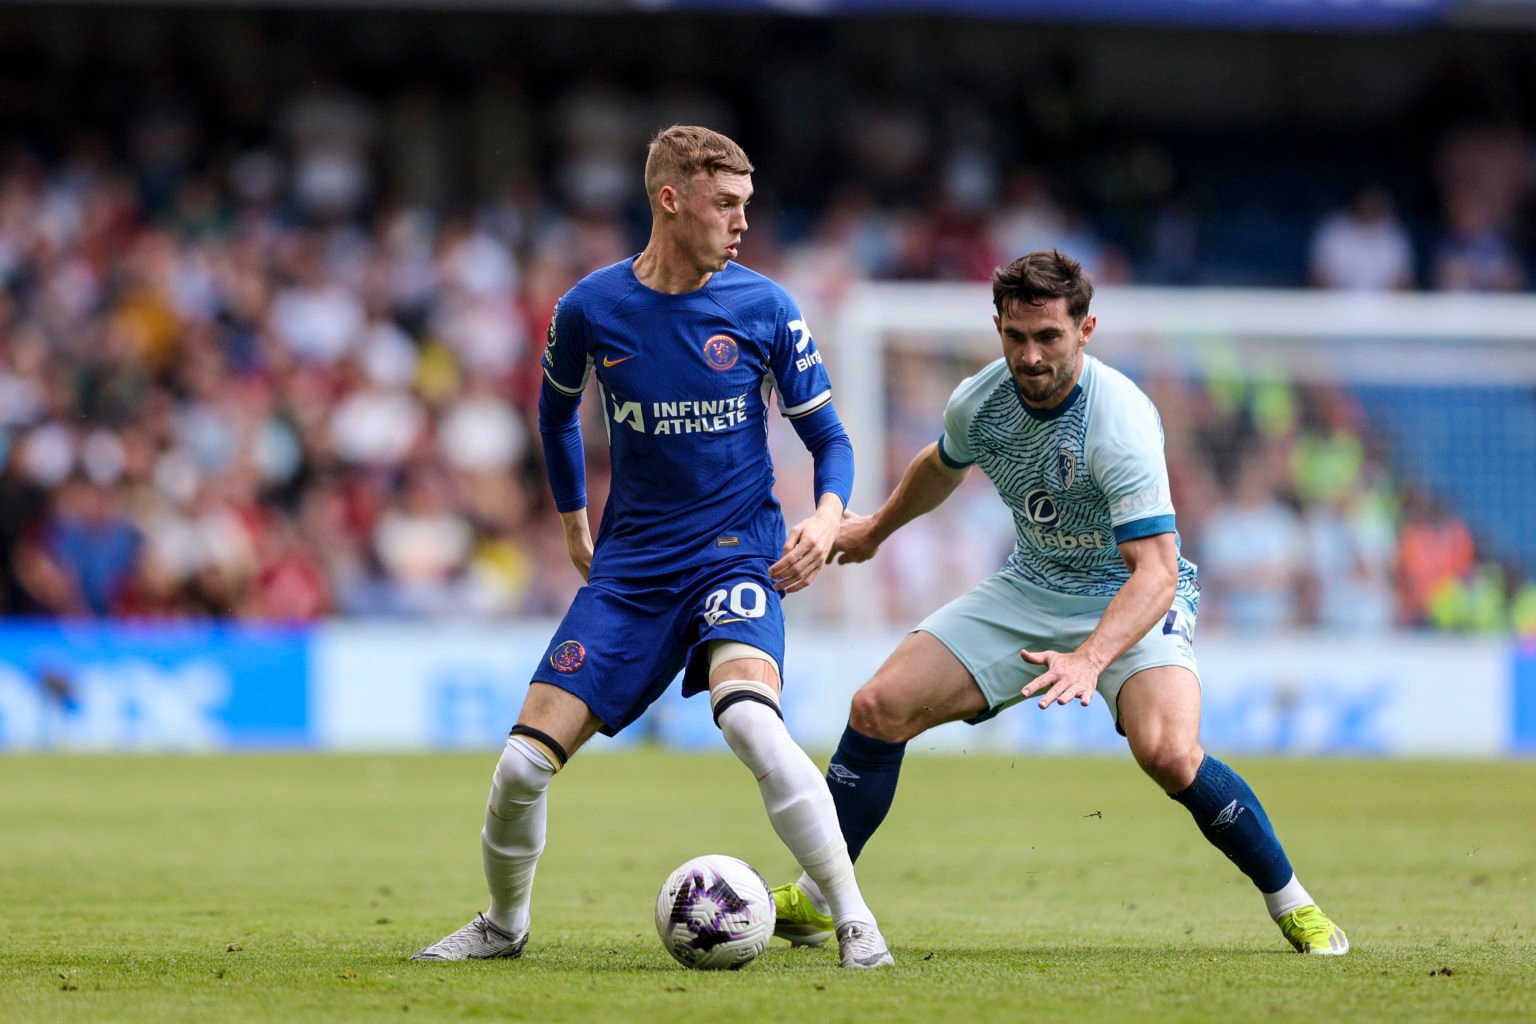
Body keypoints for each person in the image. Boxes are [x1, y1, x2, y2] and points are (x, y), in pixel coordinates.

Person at [772, 250, 1349, 957]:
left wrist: (1091, 657)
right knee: (876, 708)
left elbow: (1157, 572)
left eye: (1049, 337)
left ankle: (1295, 904)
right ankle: (817, 892)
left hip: (1130, 596)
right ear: (999, 328)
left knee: (1168, 753)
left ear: (1086, 329)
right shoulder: (980, 400)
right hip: (1031, 586)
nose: (1031, 355)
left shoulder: (1119, 423)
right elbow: (940, 465)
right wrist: (874, 531)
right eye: (1016, 337)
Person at [412, 125, 893, 969]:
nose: (743, 223)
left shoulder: (766, 307)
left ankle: (856, 923)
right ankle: (502, 924)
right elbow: (556, 413)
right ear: (670, 200)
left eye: (748, 205)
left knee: (750, 721)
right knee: (522, 768)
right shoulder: (591, 308)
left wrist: (824, 515)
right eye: (726, 204)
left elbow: (831, 438)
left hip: (738, 554)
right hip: (632, 569)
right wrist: (572, 521)